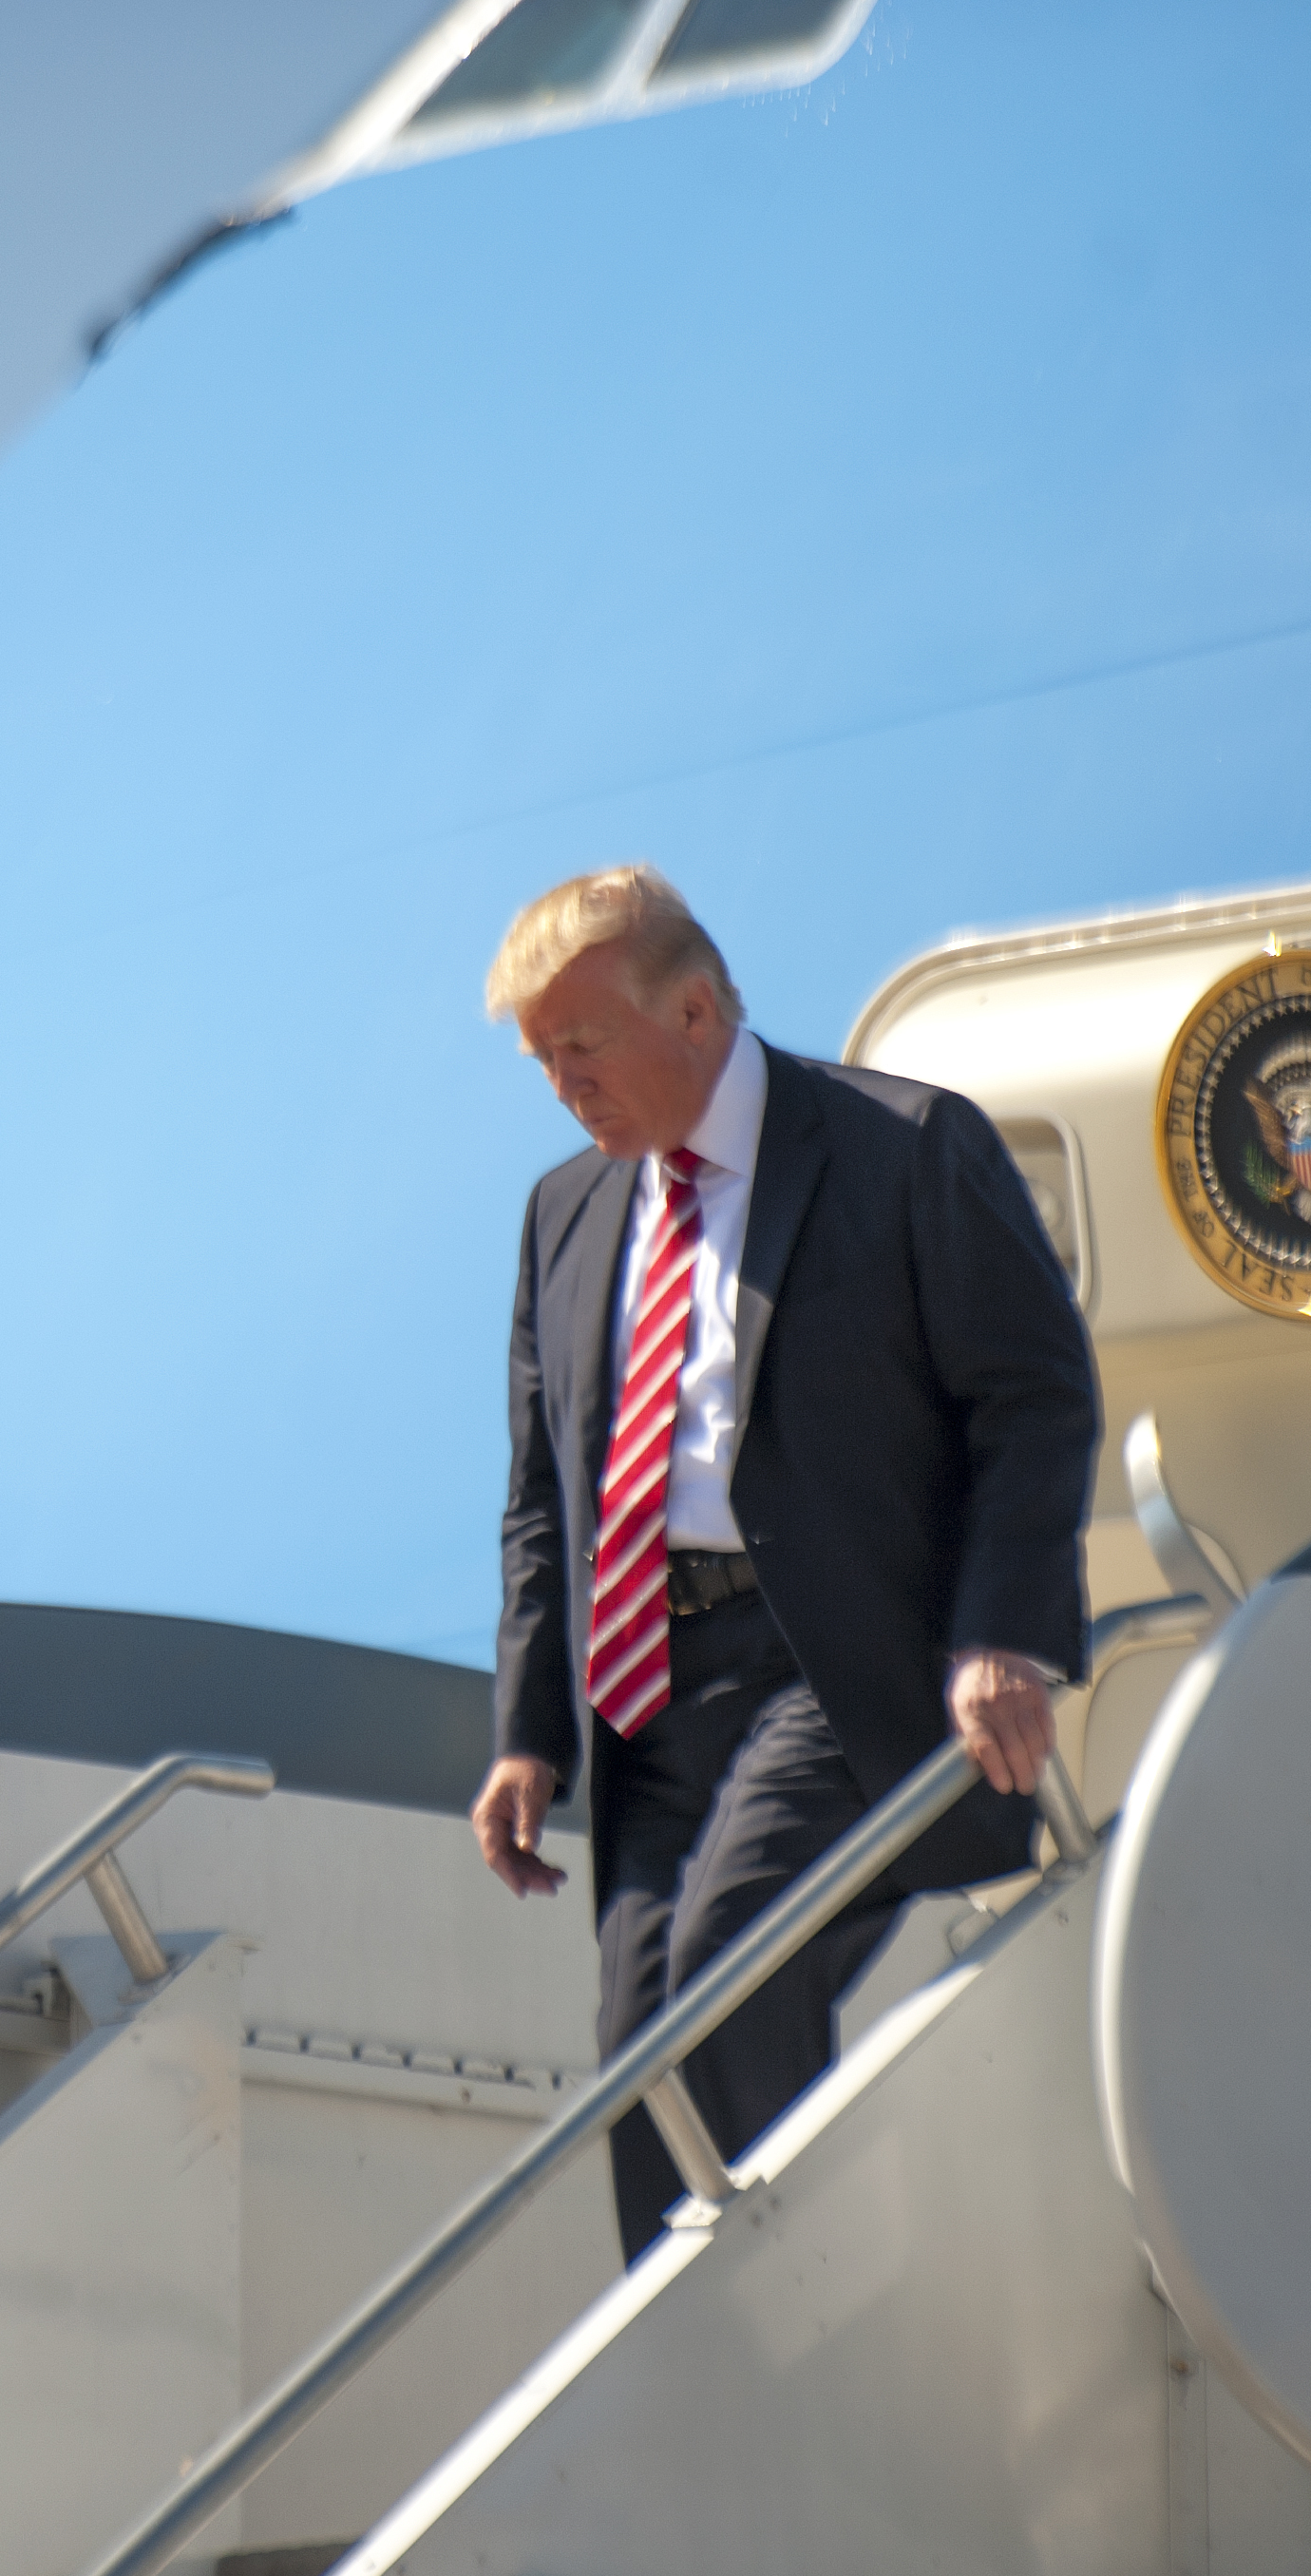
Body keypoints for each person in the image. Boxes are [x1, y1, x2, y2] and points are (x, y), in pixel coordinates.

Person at [471, 865, 1098, 2261]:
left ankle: (799, 2305)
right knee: (639, 2059)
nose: (563, 1086)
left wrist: (1004, 1633)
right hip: (647, 1700)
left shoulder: (906, 1146)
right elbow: (539, 1496)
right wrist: (527, 1731)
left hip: (834, 1663)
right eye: (541, 1061)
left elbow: (1034, 1394)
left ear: (694, 1010)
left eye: (583, 1045)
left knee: (728, 1979)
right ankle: (693, 2367)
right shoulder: (563, 1215)